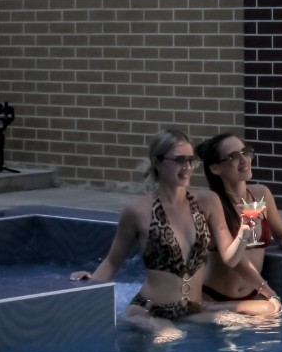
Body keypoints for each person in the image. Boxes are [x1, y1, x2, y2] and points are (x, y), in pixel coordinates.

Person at [70, 127, 260, 333]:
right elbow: (112, 262)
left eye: (190, 160)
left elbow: (230, 258)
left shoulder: (207, 201)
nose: (187, 167)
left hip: (191, 310)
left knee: (262, 321)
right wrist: (90, 286)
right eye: (179, 160)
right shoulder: (137, 211)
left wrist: (244, 230)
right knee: (169, 336)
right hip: (149, 310)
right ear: (157, 162)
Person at [196, 132, 282, 316]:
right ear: (215, 168)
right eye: (233, 157)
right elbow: (235, 261)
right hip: (215, 297)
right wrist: (269, 292)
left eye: (245, 152)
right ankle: (204, 309)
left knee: (273, 317)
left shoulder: (261, 194)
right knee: (270, 313)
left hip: (251, 296)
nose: (244, 160)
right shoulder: (212, 204)